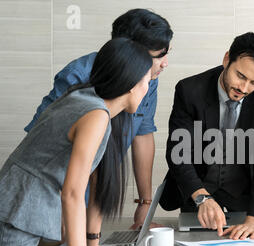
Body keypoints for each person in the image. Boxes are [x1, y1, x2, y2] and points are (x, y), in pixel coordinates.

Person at [0, 38, 153, 246]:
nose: (148, 88)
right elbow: (72, 193)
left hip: (20, 210)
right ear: (131, 83)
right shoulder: (95, 115)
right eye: (147, 80)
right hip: (15, 213)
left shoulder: (88, 99)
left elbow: (95, 178)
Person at [24, 9, 173, 231]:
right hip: (49, 193)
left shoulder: (146, 79)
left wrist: (145, 202)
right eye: (159, 55)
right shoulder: (78, 77)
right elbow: (44, 146)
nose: (165, 63)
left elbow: (142, 132)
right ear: (131, 53)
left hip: (91, 195)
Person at [159, 32, 254, 240]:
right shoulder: (189, 90)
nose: (244, 88)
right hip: (197, 190)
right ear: (226, 60)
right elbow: (178, 153)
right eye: (240, 76)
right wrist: (201, 197)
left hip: (244, 194)